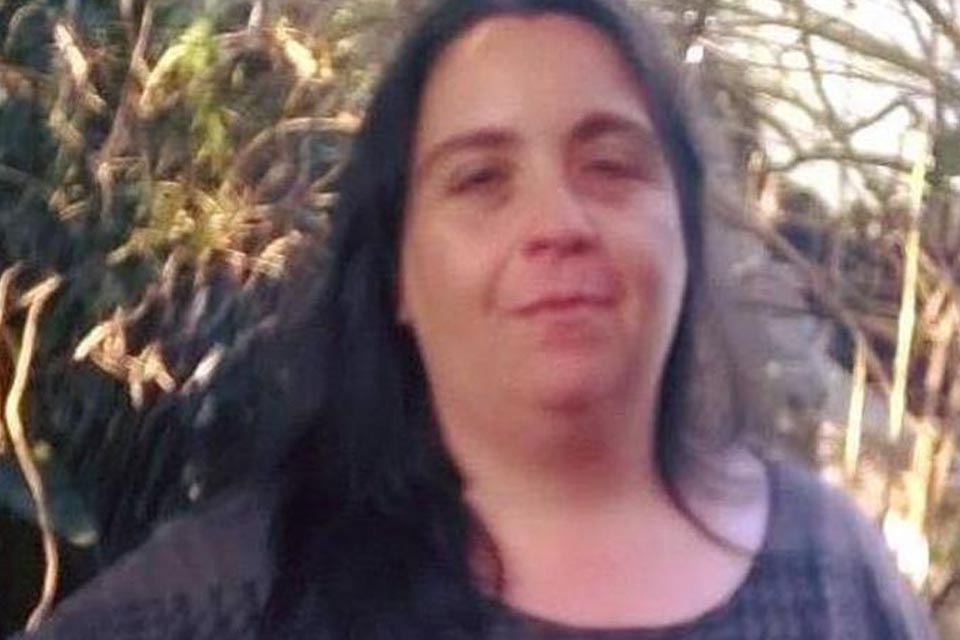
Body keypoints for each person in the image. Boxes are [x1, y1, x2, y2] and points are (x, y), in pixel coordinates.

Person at [16, 0, 937, 638]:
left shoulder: (832, 573)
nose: (558, 223)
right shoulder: (232, 600)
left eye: (611, 165)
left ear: (688, 235)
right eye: (481, 179)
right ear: (398, 278)